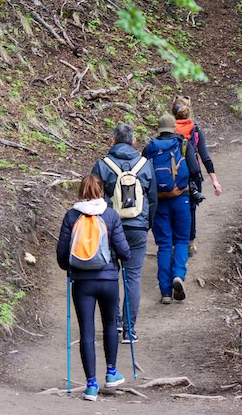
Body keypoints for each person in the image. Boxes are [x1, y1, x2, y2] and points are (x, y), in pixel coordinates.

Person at [56, 175, 131, 401]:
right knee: (110, 325)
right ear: (101, 191)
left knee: (86, 332)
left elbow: (62, 255)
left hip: (82, 283)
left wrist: (70, 268)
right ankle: (111, 373)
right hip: (108, 281)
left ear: (81, 191)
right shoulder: (110, 215)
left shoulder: (71, 216)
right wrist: (120, 257)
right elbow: (124, 251)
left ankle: (90, 385)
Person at [91, 123, 156, 344]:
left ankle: (115, 323)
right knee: (133, 278)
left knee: (110, 276)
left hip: (110, 227)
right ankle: (130, 330)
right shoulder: (145, 164)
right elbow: (153, 199)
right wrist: (147, 224)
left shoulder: (102, 165)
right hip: (137, 228)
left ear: (113, 141)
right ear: (134, 141)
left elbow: (93, 198)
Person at [142, 114, 199, 304]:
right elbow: (194, 170)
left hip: (158, 202)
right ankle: (178, 275)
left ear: (158, 129)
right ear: (174, 128)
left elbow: (142, 176)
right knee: (182, 240)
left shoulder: (149, 148)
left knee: (164, 245)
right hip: (181, 198)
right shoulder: (183, 144)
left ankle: (165, 292)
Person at [172, 96, 223, 257]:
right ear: (189, 111)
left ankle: (175, 244)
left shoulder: (168, 130)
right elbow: (205, 157)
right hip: (192, 177)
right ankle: (190, 242)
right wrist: (215, 180)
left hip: (172, 176)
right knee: (190, 209)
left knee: (173, 208)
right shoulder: (195, 130)